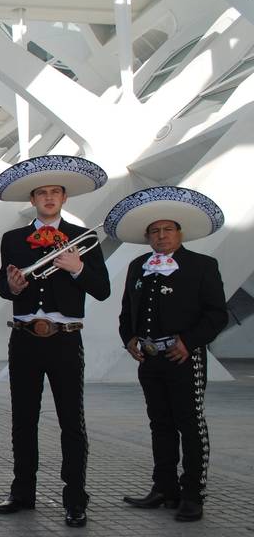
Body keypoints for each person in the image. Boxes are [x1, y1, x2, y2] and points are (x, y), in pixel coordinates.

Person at [0, 156, 110, 528]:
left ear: (64, 198)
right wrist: (11, 286)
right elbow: (0, 286)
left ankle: (75, 497)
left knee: (71, 421)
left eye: (55, 192)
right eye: (42, 193)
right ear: (33, 200)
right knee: (22, 420)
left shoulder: (83, 238)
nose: (49, 198)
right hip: (24, 338)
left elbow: (102, 290)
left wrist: (78, 269)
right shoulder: (13, 239)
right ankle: (22, 491)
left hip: (65, 341)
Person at [106, 186, 228, 522]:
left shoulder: (202, 265)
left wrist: (189, 342)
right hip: (150, 358)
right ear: (148, 237)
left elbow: (217, 313)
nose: (161, 236)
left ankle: (193, 493)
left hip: (185, 357)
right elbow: (126, 309)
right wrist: (128, 337)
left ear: (179, 233)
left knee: (190, 424)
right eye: (155, 231)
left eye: (167, 229)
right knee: (160, 424)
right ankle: (165, 488)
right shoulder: (138, 265)